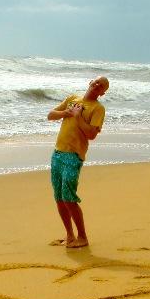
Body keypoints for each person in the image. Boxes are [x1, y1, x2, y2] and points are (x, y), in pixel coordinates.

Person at [47, 76, 109, 248]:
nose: (97, 85)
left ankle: (83, 237)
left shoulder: (98, 108)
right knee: (59, 198)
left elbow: (92, 135)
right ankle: (70, 235)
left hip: (74, 156)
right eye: (96, 82)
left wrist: (78, 117)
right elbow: (50, 115)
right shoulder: (72, 99)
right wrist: (67, 113)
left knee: (69, 197)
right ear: (90, 82)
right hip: (58, 153)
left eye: (102, 86)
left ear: (103, 92)